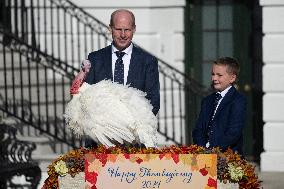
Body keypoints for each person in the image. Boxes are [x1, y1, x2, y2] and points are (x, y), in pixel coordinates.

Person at [84, 9, 160, 147]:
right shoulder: (95, 59)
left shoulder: (147, 61)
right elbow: (87, 99)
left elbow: (153, 101)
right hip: (101, 142)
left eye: (127, 30)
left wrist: (125, 129)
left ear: (134, 29)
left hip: (134, 143)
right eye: (118, 29)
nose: (123, 35)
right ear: (110, 29)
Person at [192, 57, 247, 155]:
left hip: (227, 156)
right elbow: (198, 130)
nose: (214, 78)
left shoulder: (238, 100)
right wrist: (202, 149)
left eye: (219, 75)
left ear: (232, 78)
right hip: (203, 154)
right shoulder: (207, 101)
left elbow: (233, 132)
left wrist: (213, 150)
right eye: (213, 74)